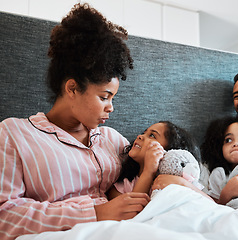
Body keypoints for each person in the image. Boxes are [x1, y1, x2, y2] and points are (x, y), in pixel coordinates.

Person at [0, 3, 150, 240]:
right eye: (104, 97)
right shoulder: (13, 134)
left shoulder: (112, 139)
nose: (111, 107)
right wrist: (94, 213)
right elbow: (4, 216)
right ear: (72, 88)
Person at [107, 121, 203, 199]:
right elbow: (131, 212)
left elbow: (211, 204)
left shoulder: (177, 182)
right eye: (144, 133)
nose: (140, 136)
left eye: (152, 136)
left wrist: (182, 183)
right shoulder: (125, 185)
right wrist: (149, 171)